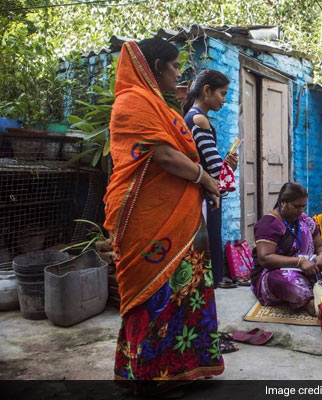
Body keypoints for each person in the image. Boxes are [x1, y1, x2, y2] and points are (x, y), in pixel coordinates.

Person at [105, 38, 224, 387]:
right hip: (148, 220)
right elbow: (163, 155)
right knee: (154, 295)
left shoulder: (160, 106)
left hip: (180, 218)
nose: (179, 73)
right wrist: (207, 179)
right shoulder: (132, 103)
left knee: (184, 293)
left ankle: (182, 369)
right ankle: (151, 377)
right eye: (174, 66)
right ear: (157, 67)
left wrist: (202, 183)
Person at [251, 183, 322, 316]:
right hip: (274, 272)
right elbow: (265, 258)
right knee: (289, 282)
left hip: (309, 267)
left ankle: (321, 291)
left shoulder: (304, 220)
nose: (301, 210)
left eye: (303, 206)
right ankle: (310, 300)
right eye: (296, 206)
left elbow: (320, 245)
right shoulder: (269, 224)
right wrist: (299, 262)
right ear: (283, 203)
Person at [182, 69, 238, 287]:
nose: (224, 100)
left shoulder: (188, 117)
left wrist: (225, 165)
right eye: (222, 94)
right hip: (206, 198)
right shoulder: (200, 120)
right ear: (207, 91)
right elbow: (215, 172)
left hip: (193, 195)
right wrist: (229, 167)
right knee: (206, 259)